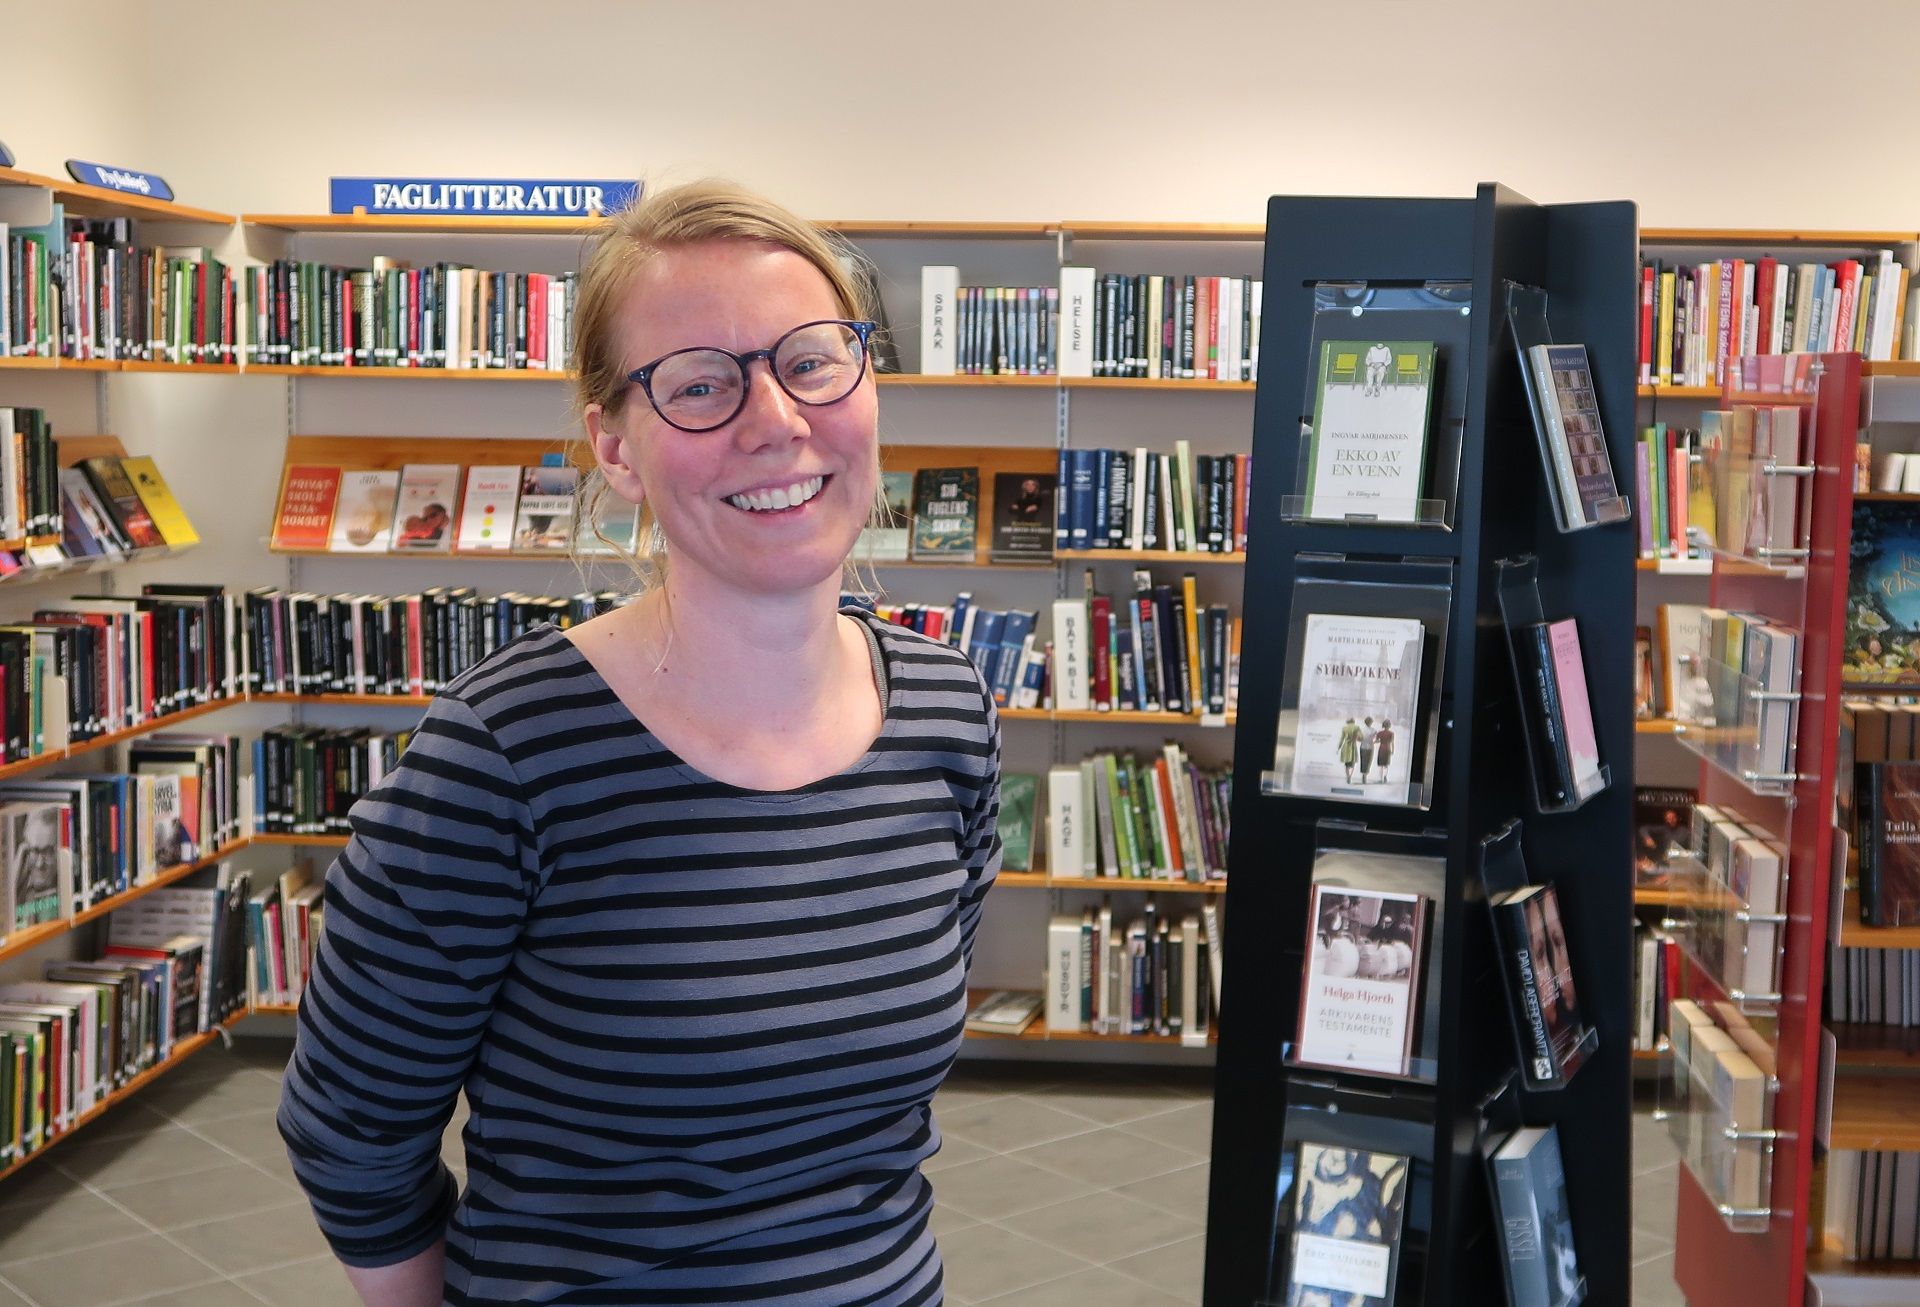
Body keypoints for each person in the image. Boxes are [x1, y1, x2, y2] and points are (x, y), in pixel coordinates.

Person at [277, 180, 1003, 1307]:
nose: (777, 419)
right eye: (700, 384)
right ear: (615, 447)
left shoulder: (946, 713)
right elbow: (350, 1132)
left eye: (812, 360)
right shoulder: (500, 757)